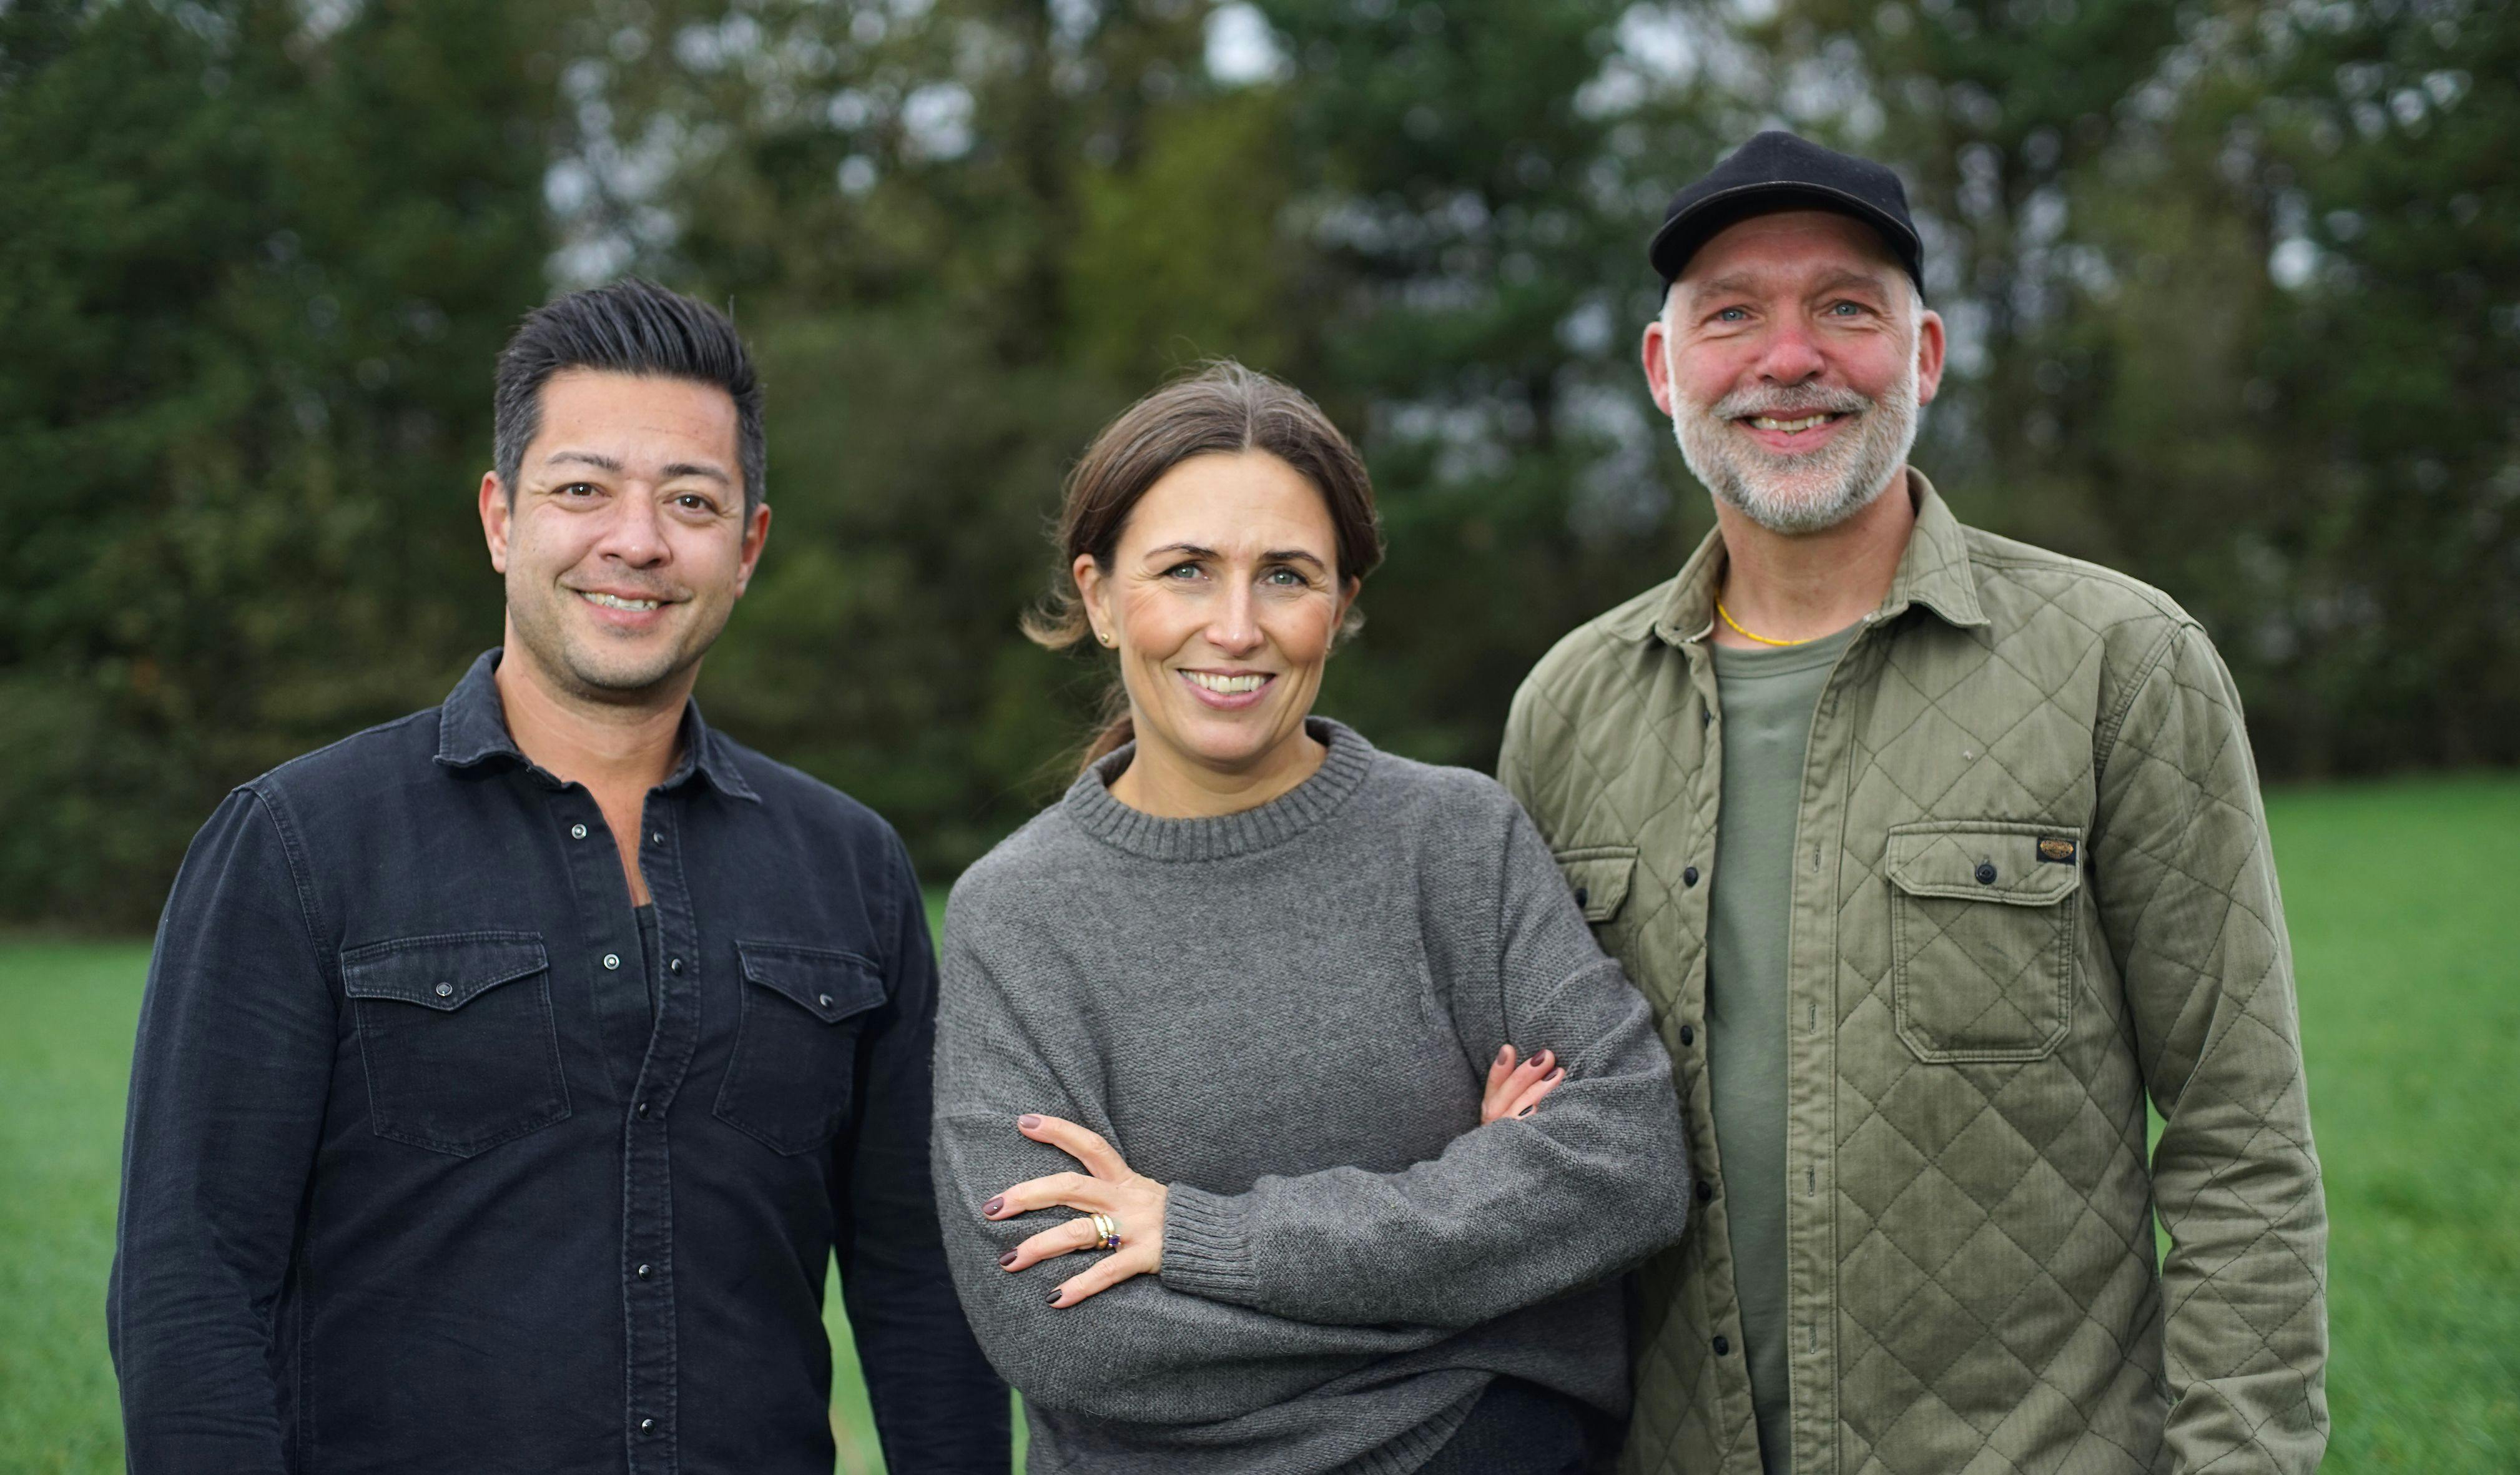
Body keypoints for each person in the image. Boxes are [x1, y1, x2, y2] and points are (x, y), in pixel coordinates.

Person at [1499, 131, 2330, 1475]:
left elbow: (2241, 1139)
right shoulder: (1565, 710)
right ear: (1663, 373)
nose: (1787, 358)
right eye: (1730, 315)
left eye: (1843, 306)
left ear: (1924, 356)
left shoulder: (2121, 659)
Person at [108, 279, 1007, 1473]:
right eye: (583, 490)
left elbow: (917, 1283)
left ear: (747, 547)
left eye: (690, 500)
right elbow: (190, 1275)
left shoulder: (852, 868)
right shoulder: (295, 844)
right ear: (499, 516)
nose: (636, 540)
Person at [929, 361, 1693, 1474]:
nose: (1235, 627)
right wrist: (1479, 1258)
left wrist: (1198, 1239)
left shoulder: (1457, 842)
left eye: (1285, 574)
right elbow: (1065, 1327)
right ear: (1098, 596)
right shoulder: (1018, 911)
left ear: (1342, 604)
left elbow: (1625, 1166)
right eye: (1186, 570)